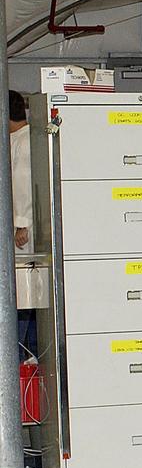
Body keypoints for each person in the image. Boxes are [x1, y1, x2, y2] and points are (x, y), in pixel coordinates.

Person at [10, 90, 34, 359]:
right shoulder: (17, 139)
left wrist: (22, 225)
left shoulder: (25, 142)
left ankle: (22, 353)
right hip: (19, 230)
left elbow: (24, 186)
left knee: (25, 296)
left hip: (24, 234)